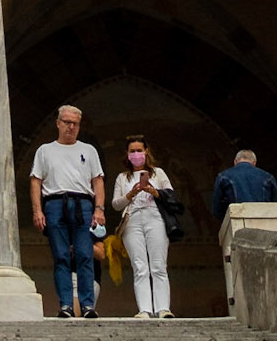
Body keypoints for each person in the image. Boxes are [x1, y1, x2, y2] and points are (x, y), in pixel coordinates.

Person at [30, 104, 106, 319]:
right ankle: (66, 304)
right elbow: (36, 181)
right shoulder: (45, 150)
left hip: (83, 204)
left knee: (85, 254)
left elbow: (98, 181)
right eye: (67, 123)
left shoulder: (88, 150)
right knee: (61, 256)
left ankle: (87, 304)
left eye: (75, 124)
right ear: (58, 123)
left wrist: (99, 209)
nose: (71, 127)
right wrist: (37, 210)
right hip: (54, 203)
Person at [111, 135, 175, 320]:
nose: (136, 154)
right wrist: (131, 193)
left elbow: (171, 195)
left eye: (139, 150)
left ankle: (163, 308)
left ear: (146, 152)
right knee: (140, 266)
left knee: (158, 265)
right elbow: (115, 204)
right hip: (132, 220)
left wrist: (154, 191)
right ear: (127, 154)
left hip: (155, 218)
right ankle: (145, 309)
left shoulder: (158, 173)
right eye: (132, 151)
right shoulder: (123, 177)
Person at [210, 150, 277, 221]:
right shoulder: (268, 177)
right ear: (254, 163)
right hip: (264, 222)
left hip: (236, 221)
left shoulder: (223, 176)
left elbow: (216, 210)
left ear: (235, 162)